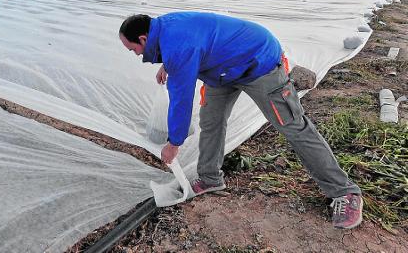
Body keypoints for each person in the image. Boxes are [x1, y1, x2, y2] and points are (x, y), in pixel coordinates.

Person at [119, 12, 363, 230]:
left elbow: (181, 100)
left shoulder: (178, 44)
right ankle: (210, 178)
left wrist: (174, 143)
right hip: (222, 72)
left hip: (258, 63)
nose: (136, 55)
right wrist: (168, 64)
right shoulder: (164, 31)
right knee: (211, 121)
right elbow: (189, 45)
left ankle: (345, 192)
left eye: (133, 49)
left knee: (293, 126)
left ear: (143, 38)